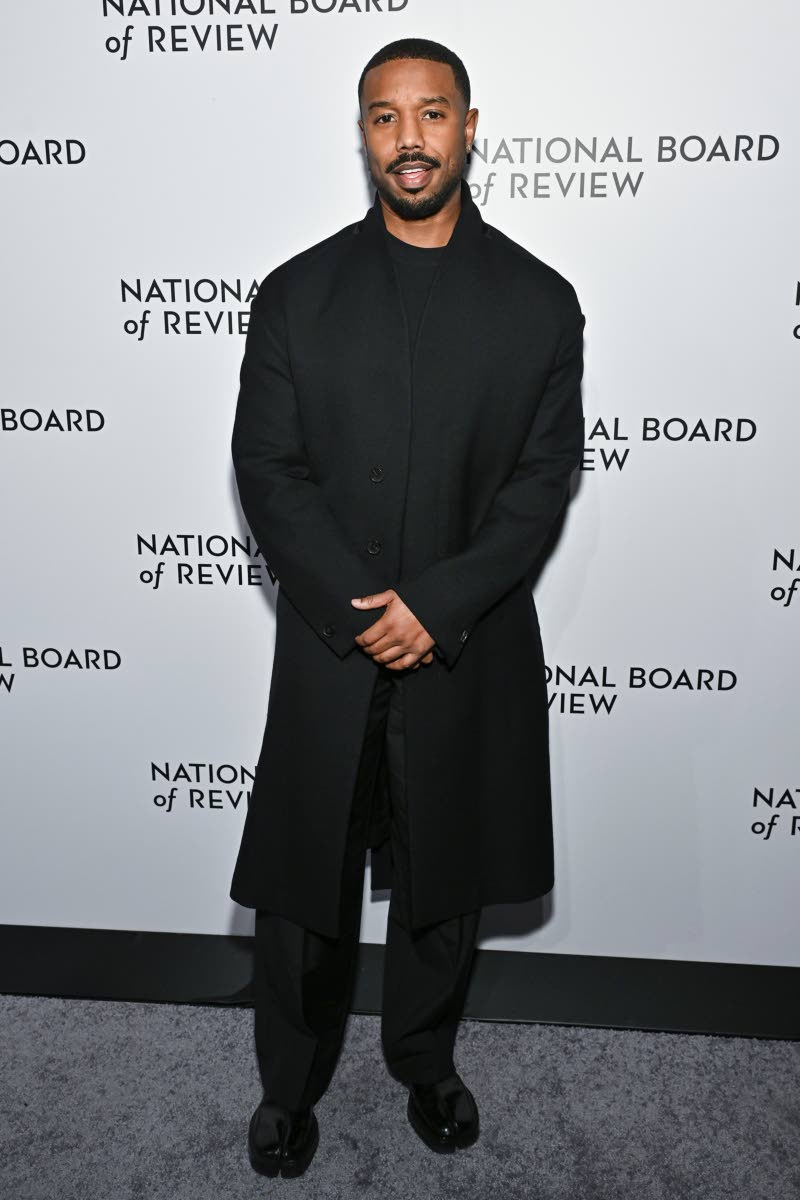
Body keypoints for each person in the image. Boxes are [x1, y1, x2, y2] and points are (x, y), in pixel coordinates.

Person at [229, 36, 586, 1178]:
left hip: (462, 645)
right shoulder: (295, 294)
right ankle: (288, 1088)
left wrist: (431, 607)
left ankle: (424, 1063)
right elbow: (267, 468)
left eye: (430, 115)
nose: (409, 139)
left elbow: (540, 484)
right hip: (329, 651)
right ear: (363, 135)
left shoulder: (538, 303)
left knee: (445, 879)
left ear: (469, 127)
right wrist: (356, 604)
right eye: (384, 118)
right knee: (303, 889)